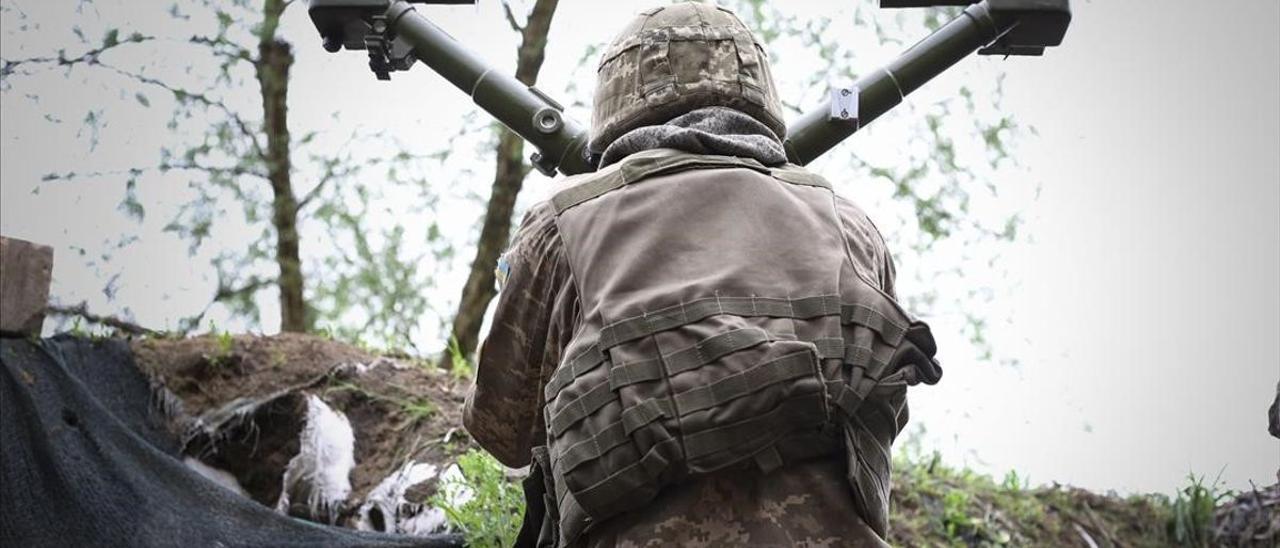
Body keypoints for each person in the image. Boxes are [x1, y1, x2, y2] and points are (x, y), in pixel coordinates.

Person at [464, 3, 941, 546]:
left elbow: (504, 430)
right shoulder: (853, 227)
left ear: (617, 100)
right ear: (759, 92)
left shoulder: (562, 226)